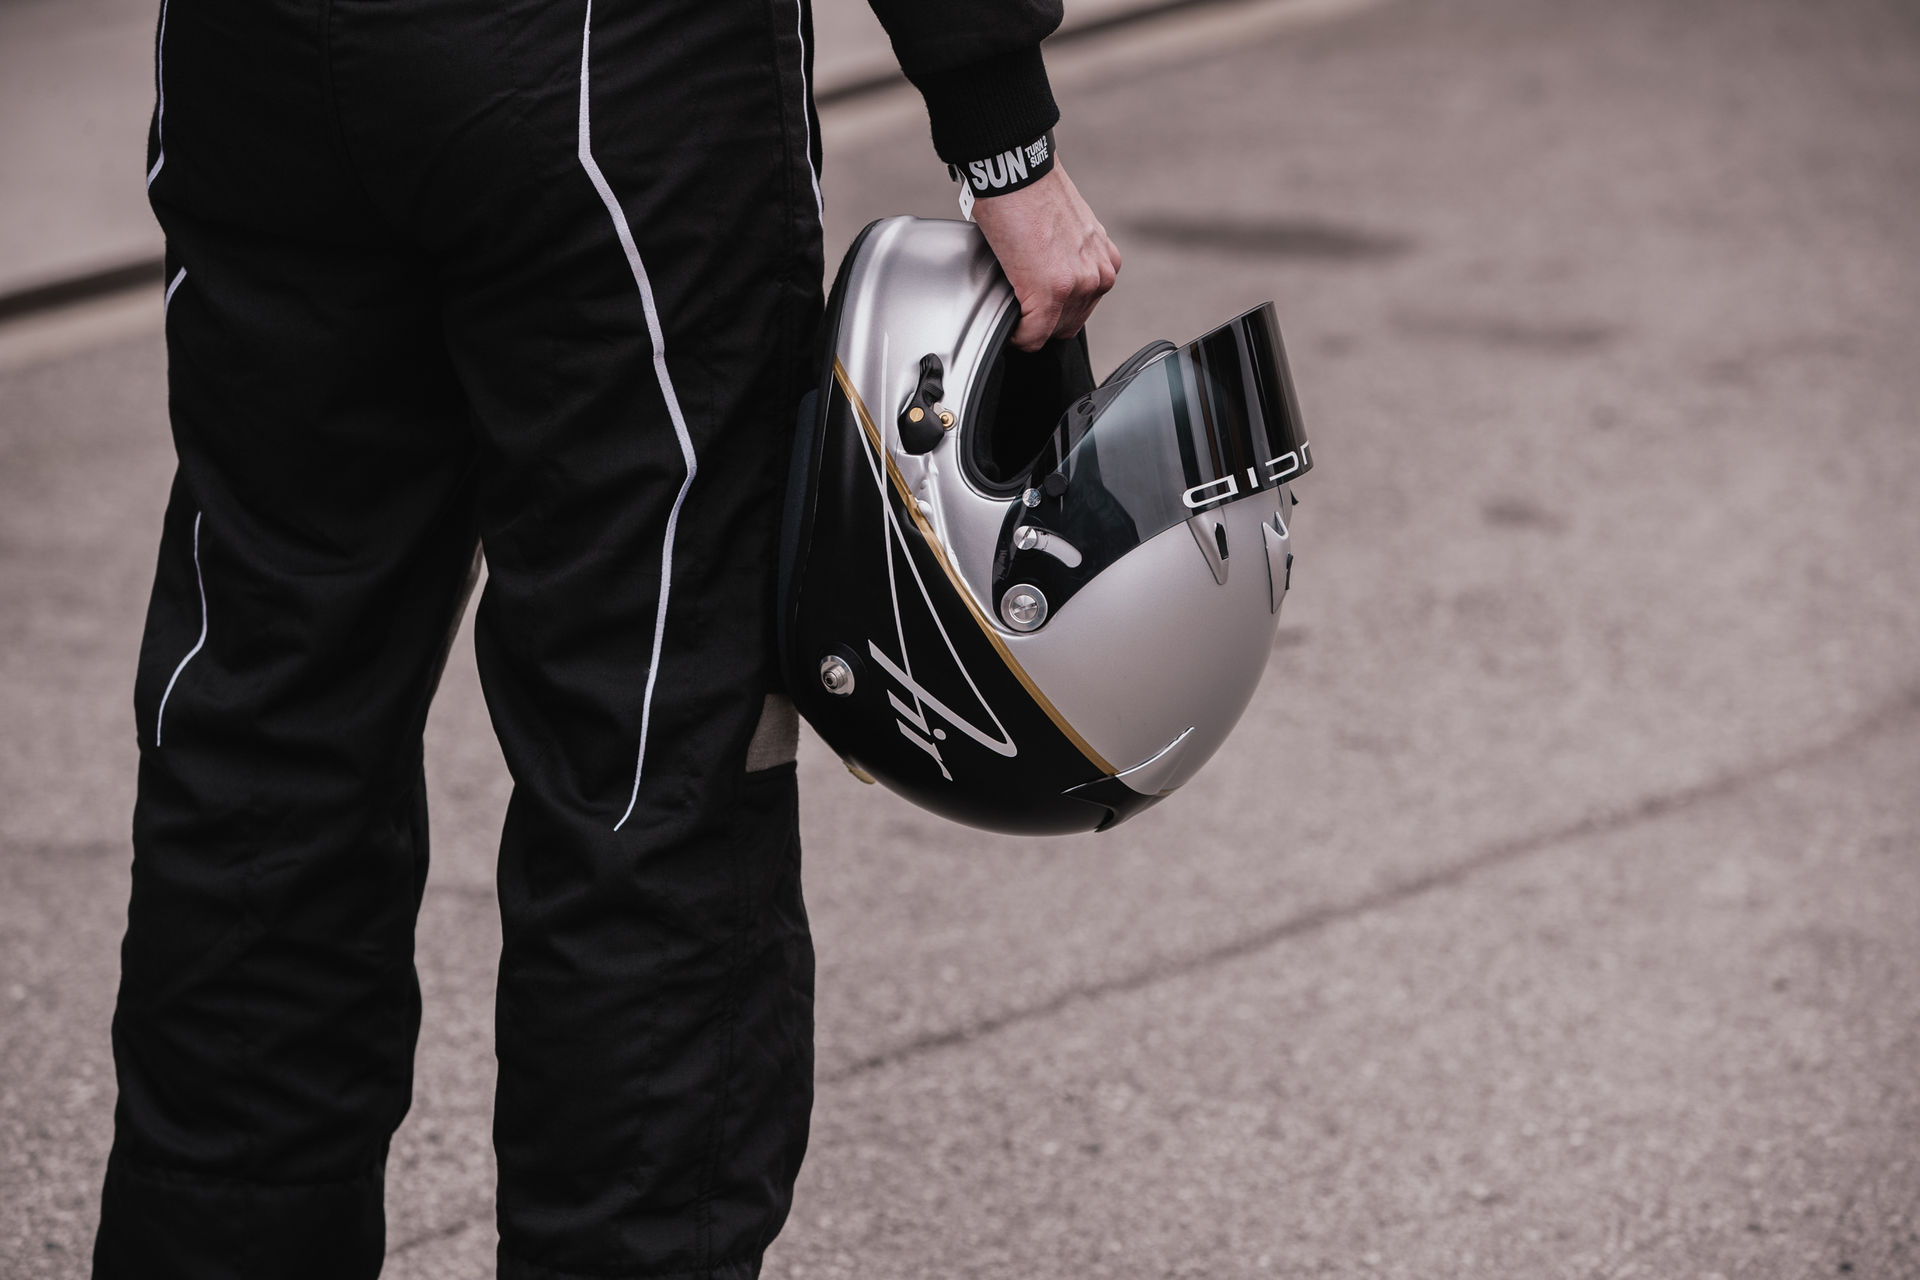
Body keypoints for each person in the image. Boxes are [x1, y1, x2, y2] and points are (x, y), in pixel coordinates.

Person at [92, 0, 1121, 1276]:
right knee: (649, 746)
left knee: (267, 705)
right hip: (599, 81)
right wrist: (1001, 128)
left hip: (252, 65)